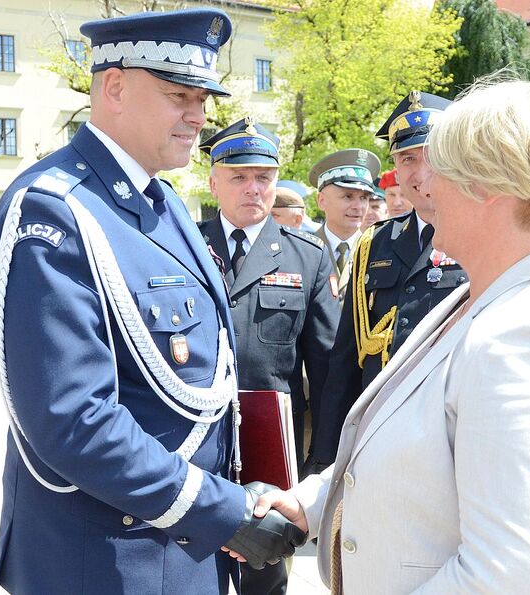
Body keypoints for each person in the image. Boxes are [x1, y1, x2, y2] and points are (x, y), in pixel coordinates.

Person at [0, 10, 304, 594]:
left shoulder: (164, 202)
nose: (197, 115)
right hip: (104, 560)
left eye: (202, 98)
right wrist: (220, 510)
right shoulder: (53, 209)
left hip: (183, 551)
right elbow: (72, 419)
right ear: (116, 88)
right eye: (178, 94)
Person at [237, 78, 530, 594]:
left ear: (487, 188)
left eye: (440, 168)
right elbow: (416, 457)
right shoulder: (479, 296)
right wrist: (312, 502)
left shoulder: (524, 336)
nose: (418, 185)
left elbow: (505, 577)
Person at [197, 117, 339, 595]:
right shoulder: (182, 245)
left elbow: (327, 368)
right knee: (191, 565)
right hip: (196, 440)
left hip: (270, 444)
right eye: (238, 177)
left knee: (266, 572)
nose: (253, 188)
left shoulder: (307, 257)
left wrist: (322, 462)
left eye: (264, 177)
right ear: (214, 180)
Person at [306, 91, 467, 471]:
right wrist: (327, 460)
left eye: (431, 155)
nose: (419, 172)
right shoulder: (374, 243)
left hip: (451, 435)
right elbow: (345, 363)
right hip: (378, 432)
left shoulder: (484, 236)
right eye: (407, 158)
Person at [310, 149, 382, 304]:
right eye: (348, 196)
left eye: (363, 198)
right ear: (321, 201)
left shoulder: (378, 249)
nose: (358, 206)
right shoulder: (303, 250)